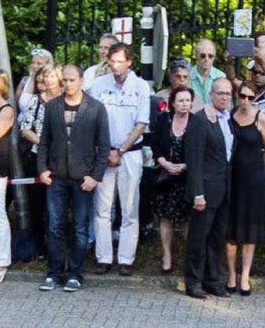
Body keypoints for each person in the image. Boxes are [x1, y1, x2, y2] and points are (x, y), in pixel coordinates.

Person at [29, 67, 104, 292]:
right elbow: (44, 142)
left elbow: (103, 144)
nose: (68, 84)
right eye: (66, 80)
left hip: (83, 178)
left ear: (81, 80)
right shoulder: (52, 107)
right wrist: (42, 169)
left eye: (73, 80)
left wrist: (95, 176)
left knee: (81, 228)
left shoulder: (96, 108)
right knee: (55, 226)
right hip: (57, 177)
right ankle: (54, 273)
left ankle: (75, 273)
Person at [84, 42, 154, 277]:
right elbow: (92, 121)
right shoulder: (98, 85)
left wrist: (121, 151)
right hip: (103, 153)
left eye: (120, 62)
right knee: (103, 209)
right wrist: (106, 152)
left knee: (129, 208)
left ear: (129, 62)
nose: (115, 66)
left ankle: (126, 258)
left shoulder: (141, 87)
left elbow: (141, 123)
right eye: (112, 61)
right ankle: (103, 258)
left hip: (130, 154)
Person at [161, 87, 228, 298]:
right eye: (220, 93)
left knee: (216, 239)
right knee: (198, 239)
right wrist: (198, 193)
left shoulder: (227, 118)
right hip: (205, 191)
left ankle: (212, 280)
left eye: (228, 93)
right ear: (211, 95)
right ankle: (193, 282)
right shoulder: (199, 120)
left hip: (223, 189)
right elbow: (195, 159)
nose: (224, 97)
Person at [219, 84, 265, 297]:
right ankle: (231, 274)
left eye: (251, 97)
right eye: (242, 96)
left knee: (250, 228)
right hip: (231, 177)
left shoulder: (262, 118)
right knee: (231, 228)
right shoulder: (228, 116)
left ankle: (245, 275)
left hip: (253, 180)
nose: (246, 100)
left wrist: (257, 166)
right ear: (237, 95)